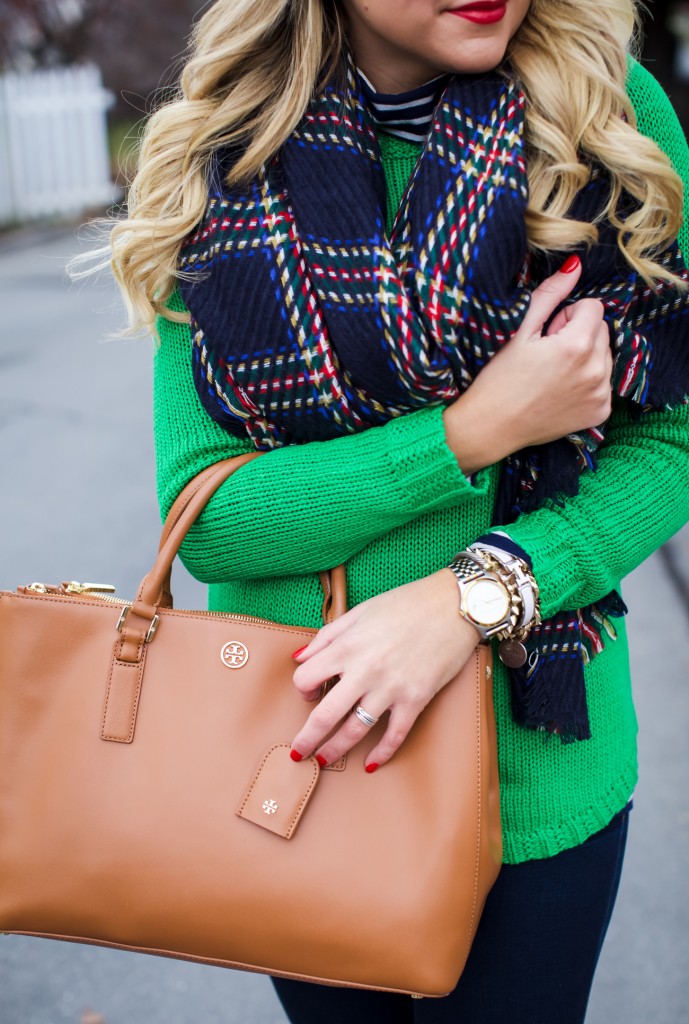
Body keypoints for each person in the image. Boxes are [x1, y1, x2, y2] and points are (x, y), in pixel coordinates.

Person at [106, 0, 689, 1020]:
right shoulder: (219, 154)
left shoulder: (602, 113)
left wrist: (467, 598)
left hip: (536, 769)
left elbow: (668, 438)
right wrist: (469, 432)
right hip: (303, 762)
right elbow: (213, 520)